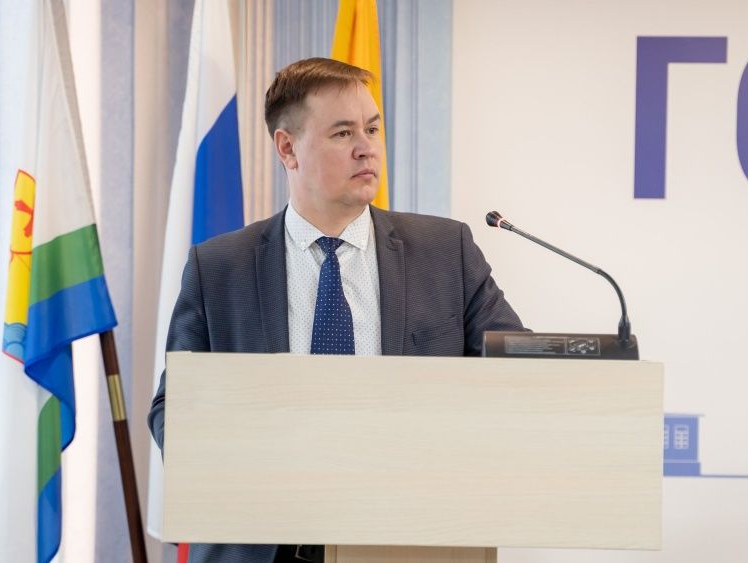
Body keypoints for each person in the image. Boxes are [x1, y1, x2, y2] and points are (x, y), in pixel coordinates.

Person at [147, 58, 525, 563]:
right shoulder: (219, 266)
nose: (366, 147)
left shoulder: (444, 251)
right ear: (287, 148)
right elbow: (174, 407)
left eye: (372, 129)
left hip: (408, 538)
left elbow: (516, 372)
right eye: (343, 133)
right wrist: (236, 472)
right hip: (261, 543)